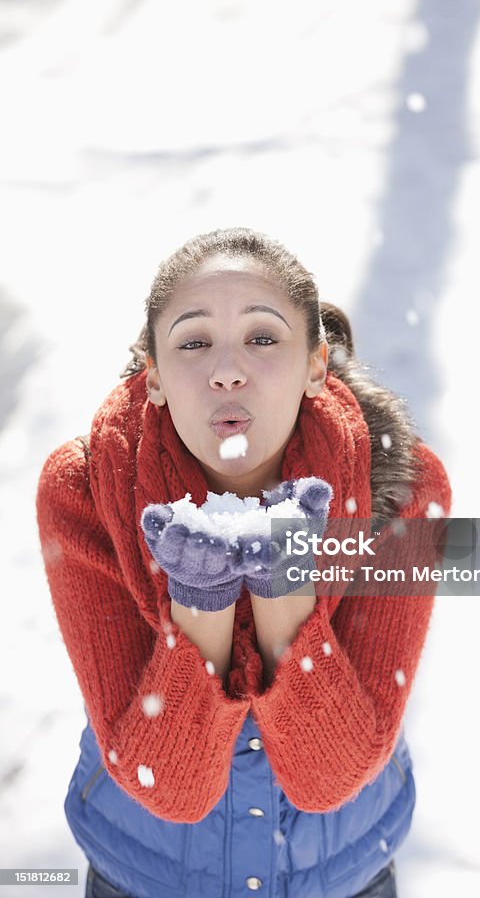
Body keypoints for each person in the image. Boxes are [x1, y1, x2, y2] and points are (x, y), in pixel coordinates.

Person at [35, 227, 452, 898]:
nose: (227, 369)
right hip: (145, 871)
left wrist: (283, 587)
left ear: (315, 365)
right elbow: (165, 786)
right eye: (194, 342)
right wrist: (200, 602)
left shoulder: (400, 487)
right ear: (157, 379)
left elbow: (329, 778)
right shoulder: (86, 491)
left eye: (262, 338)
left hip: (339, 871)